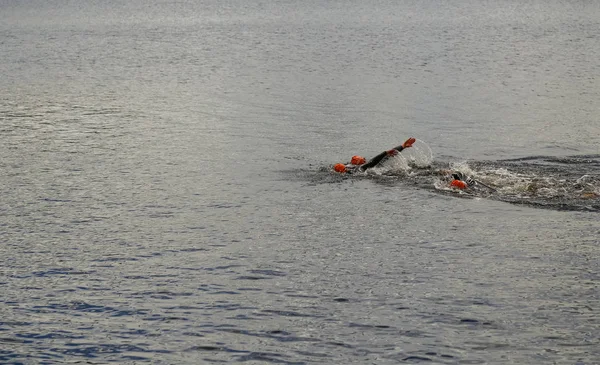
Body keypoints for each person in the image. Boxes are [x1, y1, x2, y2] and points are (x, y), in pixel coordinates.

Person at [333, 137, 416, 174]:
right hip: (375, 171)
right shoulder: (359, 169)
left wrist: (402, 146)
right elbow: (370, 163)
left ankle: (403, 146)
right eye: (363, 161)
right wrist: (385, 152)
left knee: (385, 157)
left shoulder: (350, 168)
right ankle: (403, 146)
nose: (364, 160)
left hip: (374, 169)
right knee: (384, 158)